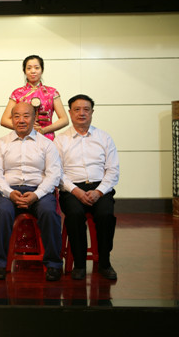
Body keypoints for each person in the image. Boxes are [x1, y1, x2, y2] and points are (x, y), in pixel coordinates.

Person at [0, 102, 63, 281]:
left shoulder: (46, 144)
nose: (21, 120)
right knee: (3, 212)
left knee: (49, 212)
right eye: (16, 116)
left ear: (35, 117)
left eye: (26, 116)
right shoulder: (1, 143)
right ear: (12, 119)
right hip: (9, 191)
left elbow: (54, 175)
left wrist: (37, 194)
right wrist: (9, 193)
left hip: (39, 192)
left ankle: (54, 264)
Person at [55, 94, 120, 280]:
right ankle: (79, 264)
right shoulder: (60, 140)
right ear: (70, 113)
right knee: (75, 215)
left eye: (86, 109)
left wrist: (99, 191)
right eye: (77, 110)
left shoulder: (104, 138)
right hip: (72, 189)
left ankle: (105, 262)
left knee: (105, 215)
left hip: (100, 188)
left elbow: (113, 170)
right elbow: (57, 172)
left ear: (92, 112)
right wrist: (76, 191)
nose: (81, 113)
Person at [0, 55, 68, 141]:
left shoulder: (52, 92)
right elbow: (4, 120)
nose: (33, 71)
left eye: (37, 68)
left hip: (46, 137)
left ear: (42, 70)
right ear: (24, 71)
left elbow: (64, 119)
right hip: (23, 137)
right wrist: (25, 129)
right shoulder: (17, 93)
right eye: (29, 68)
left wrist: (44, 130)